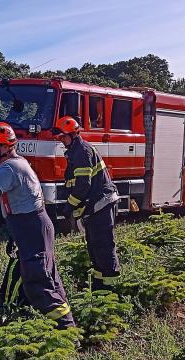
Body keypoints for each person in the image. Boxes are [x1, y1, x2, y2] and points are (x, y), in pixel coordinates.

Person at [0, 122, 75, 329]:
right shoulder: (12, 165)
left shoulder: (11, 167)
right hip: (28, 226)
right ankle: (61, 323)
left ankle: (67, 328)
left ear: (3, 147)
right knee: (45, 276)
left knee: (38, 280)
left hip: (32, 227)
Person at [53, 116, 120, 290]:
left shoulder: (82, 152)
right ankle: (99, 284)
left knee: (104, 246)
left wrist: (69, 206)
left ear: (73, 134)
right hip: (95, 206)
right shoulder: (75, 152)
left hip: (101, 204)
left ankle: (110, 289)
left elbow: (83, 185)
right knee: (94, 247)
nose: (60, 140)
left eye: (62, 137)